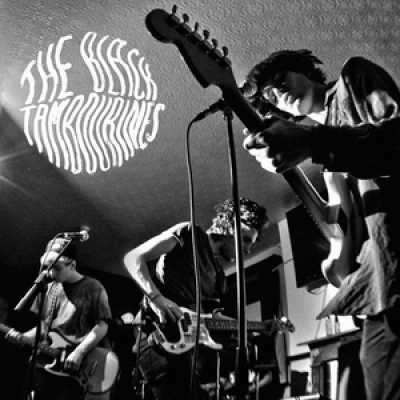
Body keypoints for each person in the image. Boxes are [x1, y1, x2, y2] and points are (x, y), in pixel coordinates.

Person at [242, 49, 400, 400]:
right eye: (270, 95)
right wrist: (338, 260)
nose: (278, 93)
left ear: (305, 70)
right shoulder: (328, 167)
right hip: (375, 292)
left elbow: (396, 139)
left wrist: (314, 142)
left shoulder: (352, 78)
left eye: (280, 80)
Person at [123, 197, 268, 400]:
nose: (248, 250)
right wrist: (157, 299)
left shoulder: (218, 274)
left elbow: (214, 319)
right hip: (159, 338)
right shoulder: (189, 233)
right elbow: (133, 258)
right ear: (229, 225)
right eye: (245, 239)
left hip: (187, 351)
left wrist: (258, 327)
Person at [6, 238, 113, 400]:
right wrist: (22, 337)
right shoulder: (49, 288)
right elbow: (45, 326)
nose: (51, 273)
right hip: (49, 362)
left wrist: (79, 352)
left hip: (80, 363)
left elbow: (102, 326)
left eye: (57, 268)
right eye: (48, 268)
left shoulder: (93, 287)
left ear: (72, 265)